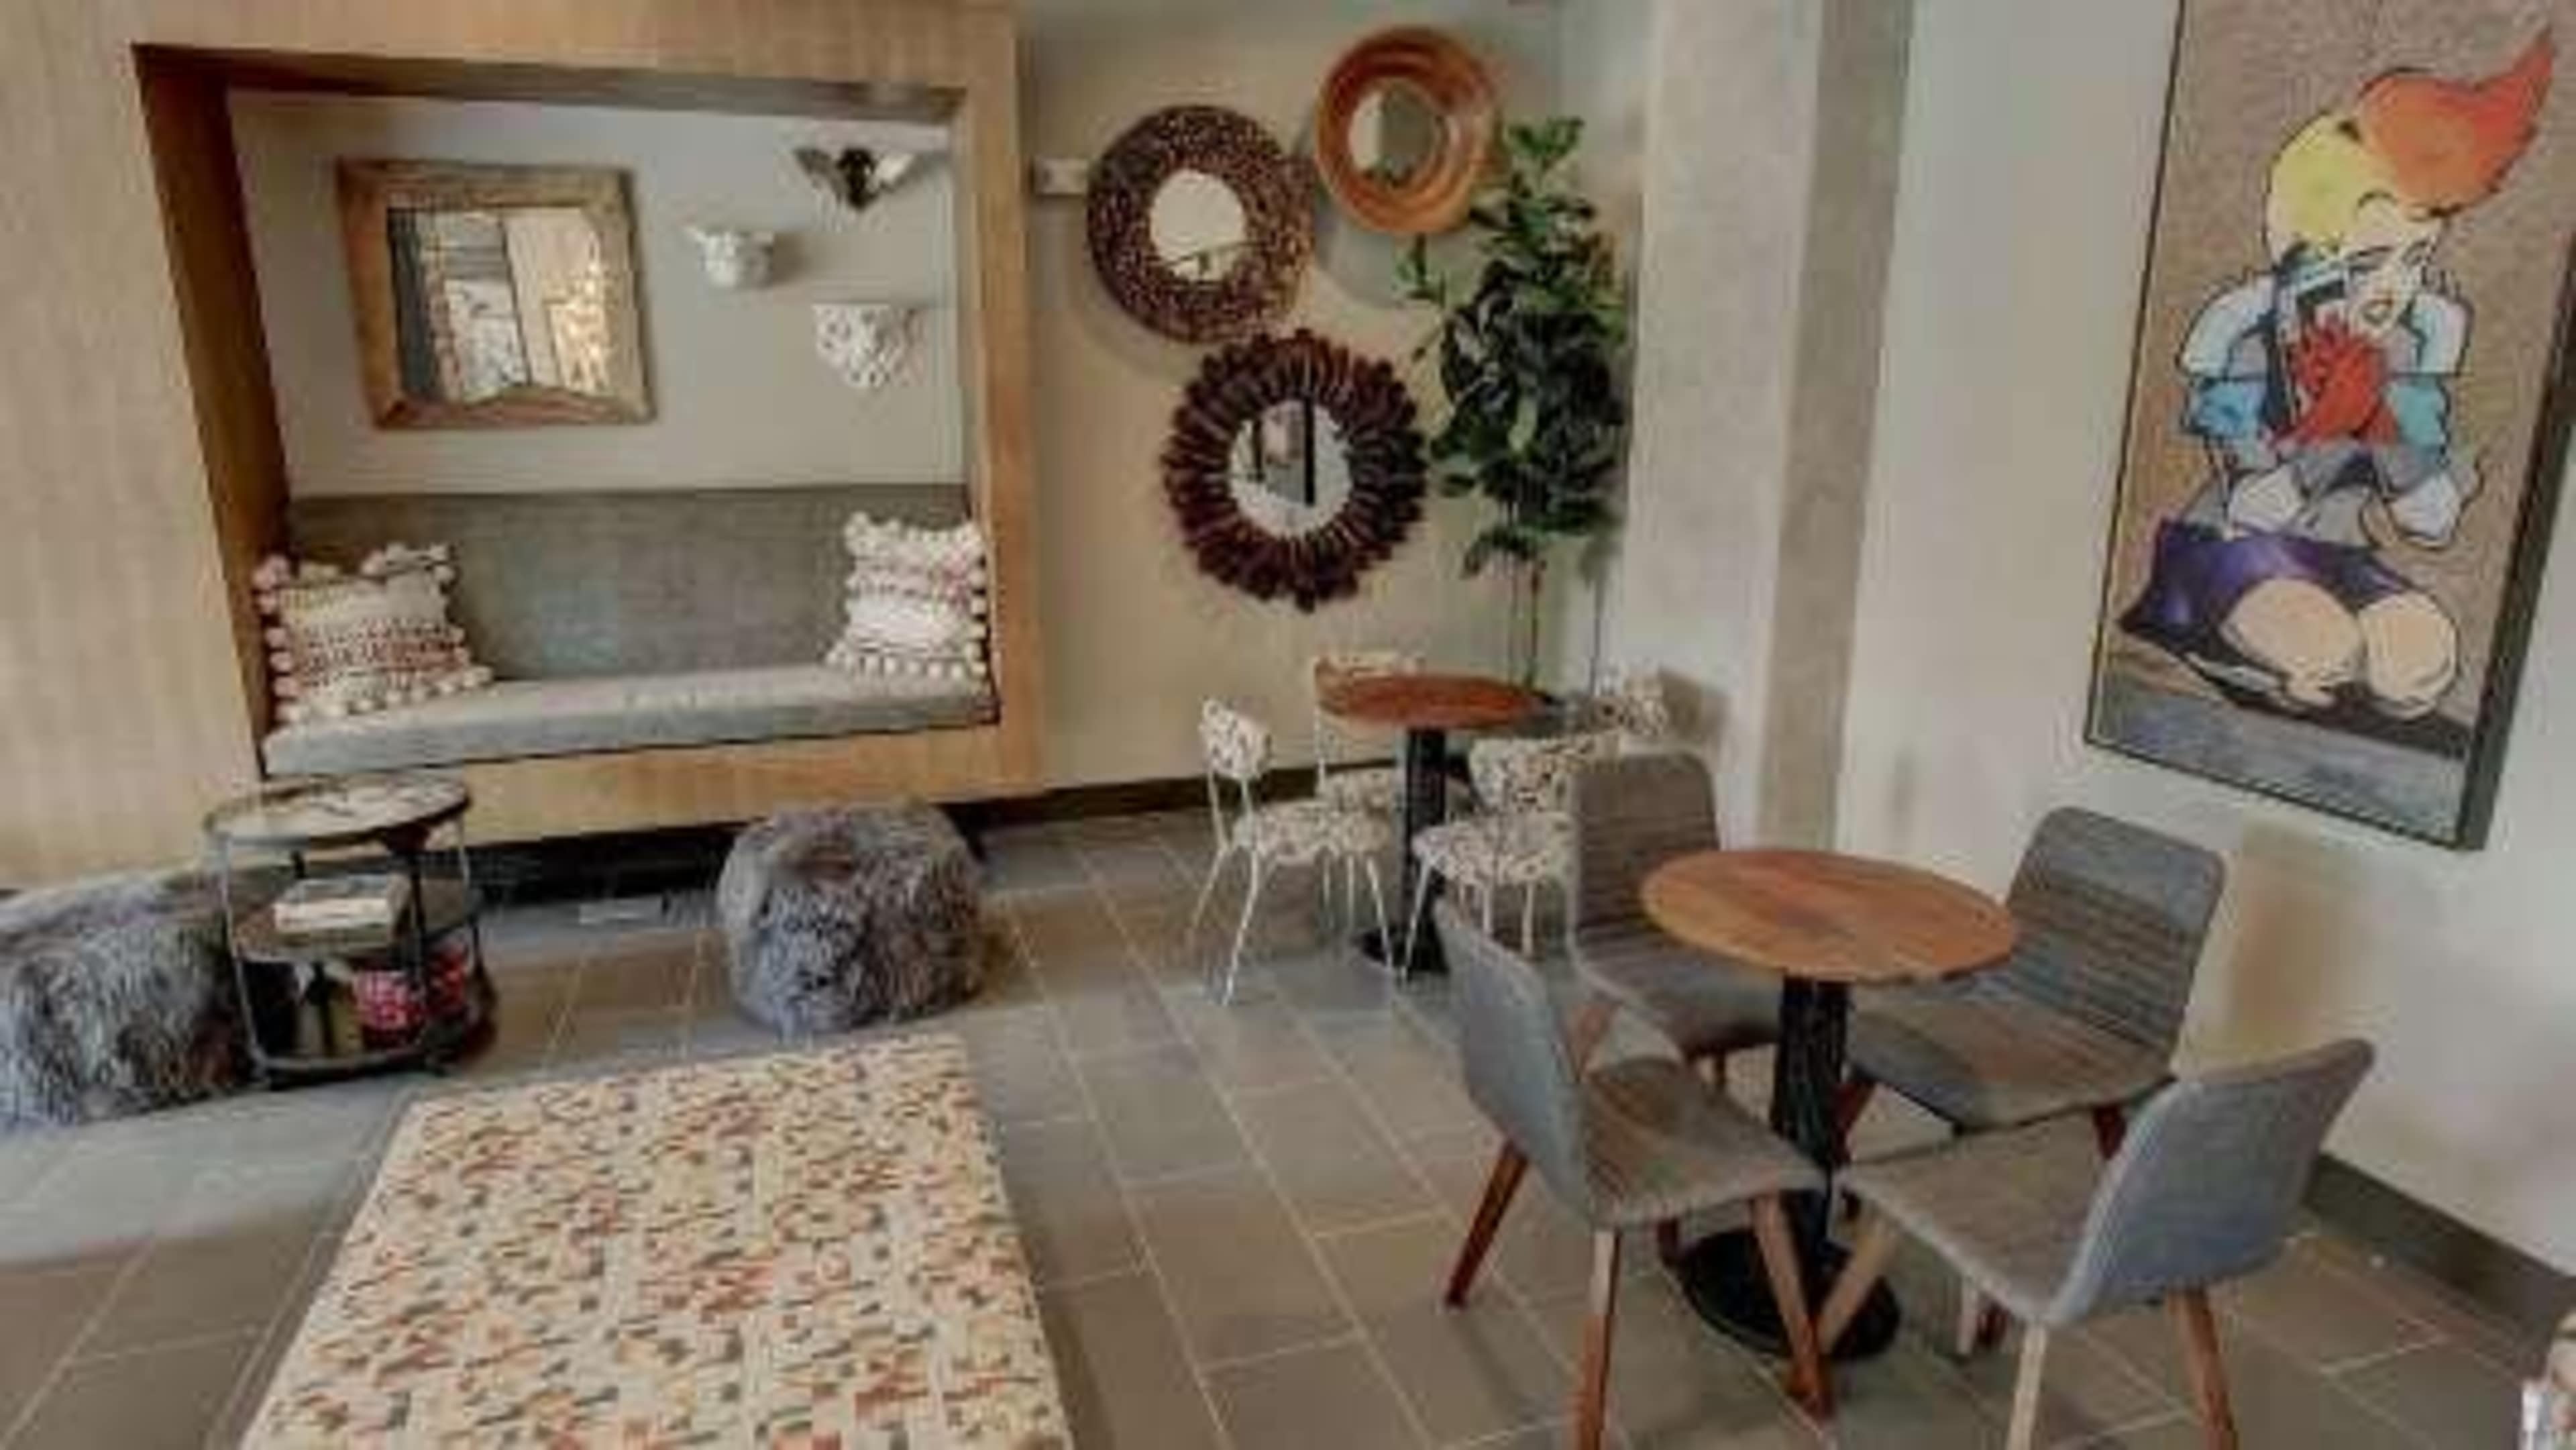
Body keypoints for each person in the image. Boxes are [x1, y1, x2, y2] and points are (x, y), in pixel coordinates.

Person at [2122, 34, 2552, 721]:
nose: (2390, 289)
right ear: (2305, 255)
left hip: (2340, 559)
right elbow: (2252, 507)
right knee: (2326, 647)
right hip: (2231, 549)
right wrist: (2330, 434)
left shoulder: (2405, 358)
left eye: (2414, 260)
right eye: (2368, 262)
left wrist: (2388, 429)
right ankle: (2264, 656)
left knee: (2422, 662)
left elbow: (2430, 522)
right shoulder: (2247, 348)